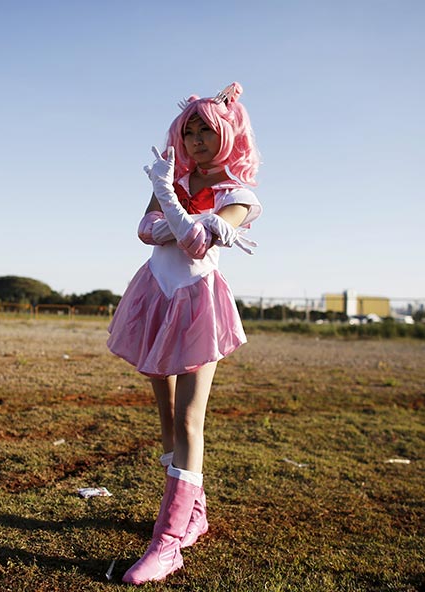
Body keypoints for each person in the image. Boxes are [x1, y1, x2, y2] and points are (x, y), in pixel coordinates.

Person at [106, 82, 262, 585]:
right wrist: (173, 208)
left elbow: (195, 244)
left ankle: (167, 544)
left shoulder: (238, 195)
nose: (195, 138)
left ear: (228, 135)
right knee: (168, 418)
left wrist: (170, 205)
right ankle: (194, 514)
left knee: (191, 420)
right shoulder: (171, 177)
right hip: (154, 293)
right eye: (189, 129)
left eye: (206, 130)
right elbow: (144, 230)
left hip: (197, 303)